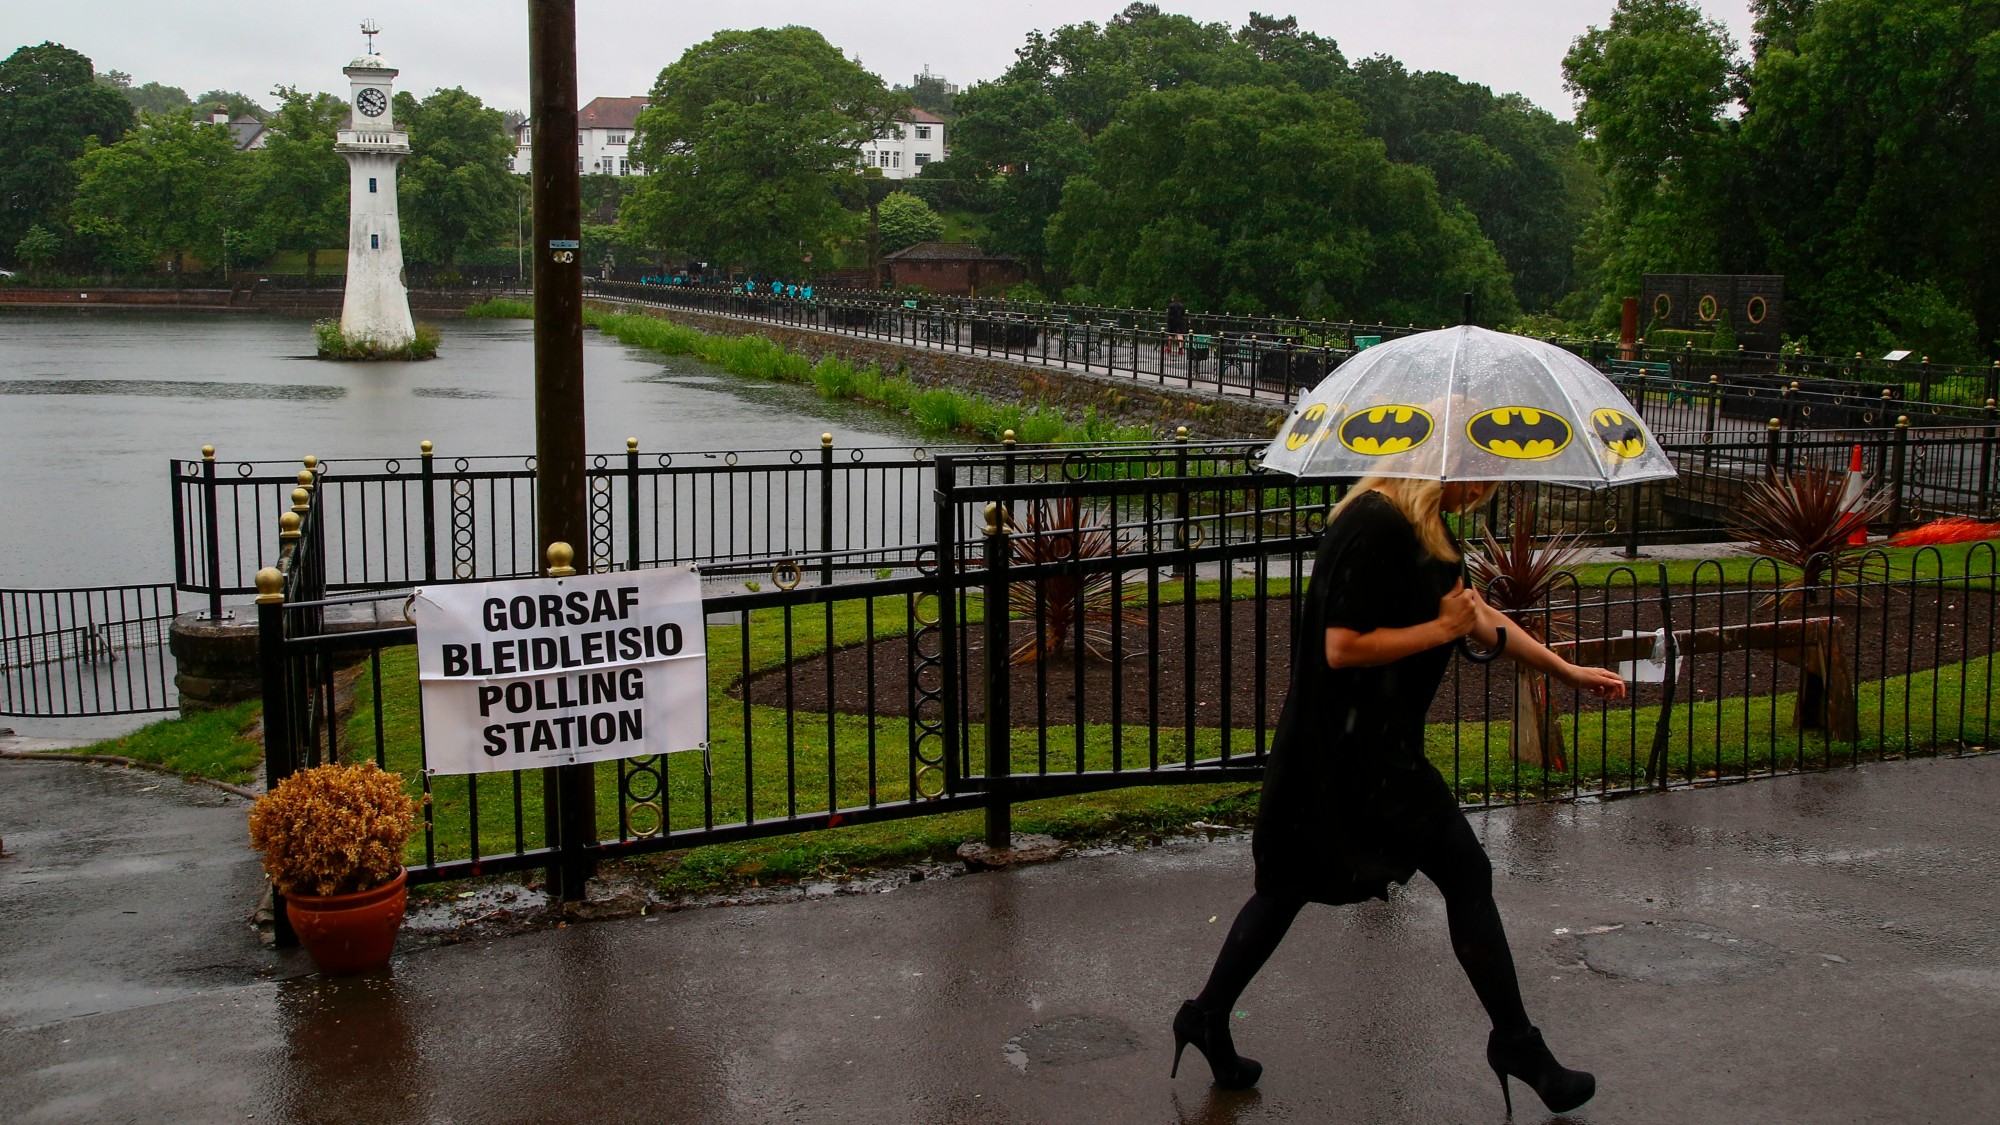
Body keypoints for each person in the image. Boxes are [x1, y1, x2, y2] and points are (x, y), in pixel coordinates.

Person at [1172, 475, 1626, 1115]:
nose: (1485, 487)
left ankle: (1206, 1017)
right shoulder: (1375, 521)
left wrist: (1565, 669)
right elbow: (1341, 647)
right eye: (1481, 471)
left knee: (1290, 889)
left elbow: (1476, 615)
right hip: (1346, 751)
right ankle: (1518, 1045)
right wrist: (1441, 629)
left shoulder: (1424, 525)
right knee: (1455, 874)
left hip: (1376, 746)